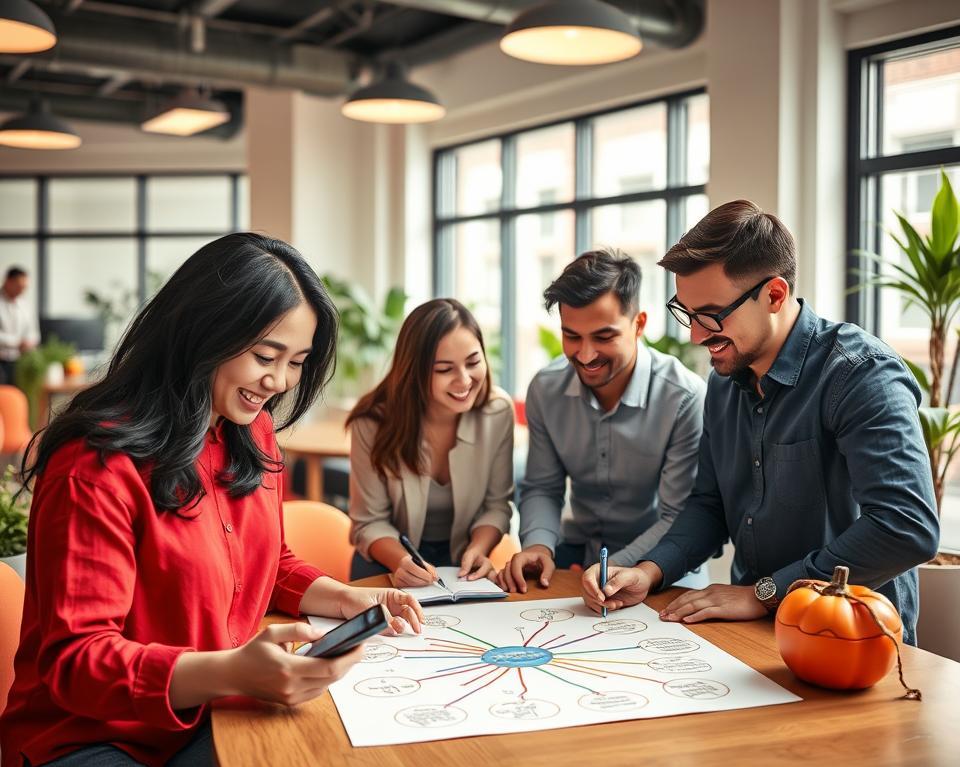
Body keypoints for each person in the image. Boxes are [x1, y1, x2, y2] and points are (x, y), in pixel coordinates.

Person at [0, 234, 424, 767]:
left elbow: (263, 564)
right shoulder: (96, 463)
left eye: (297, 361)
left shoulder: (251, 430)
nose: (279, 381)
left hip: (210, 715)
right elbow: (78, 662)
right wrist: (230, 671)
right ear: (203, 332)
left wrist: (344, 600)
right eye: (265, 356)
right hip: (90, 739)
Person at [580, 200, 940, 645]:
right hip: (753, 632)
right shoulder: (723, 381)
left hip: (853, 639)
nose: (695, 335)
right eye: (686, 313)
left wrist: (766, 593)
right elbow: (709, 506)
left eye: (711, 315)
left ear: (774, 295)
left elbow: (906, 527)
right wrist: (649, 571)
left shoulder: (860, 374)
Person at [498, 249, 707, 593]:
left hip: (661, 566)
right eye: (572, 336)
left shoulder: (682, 397)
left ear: (638, 324)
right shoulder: (546, 390)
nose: (585, 354)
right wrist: (538, 545)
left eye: (603, 337)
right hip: (576, 560)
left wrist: (617, 569)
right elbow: (542, 487)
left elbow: (678, 516)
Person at [347, 298, 514, 586]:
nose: (464, 380)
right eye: (444, 369)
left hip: (461, 561)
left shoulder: (497, 413)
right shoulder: (372, 421)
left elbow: (497, 505)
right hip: (387, 559)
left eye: (473, 362)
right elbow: (369, 522)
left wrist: (478, 548)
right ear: (415, 371)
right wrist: (402, 561)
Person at [0, 266, 39, 386]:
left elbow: (34, 332)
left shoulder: (25, 304)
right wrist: (17, 342)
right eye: (19, 286)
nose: (21, 291)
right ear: (8, 281)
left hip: (20, 361)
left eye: (24, 288)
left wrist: (30, 342)